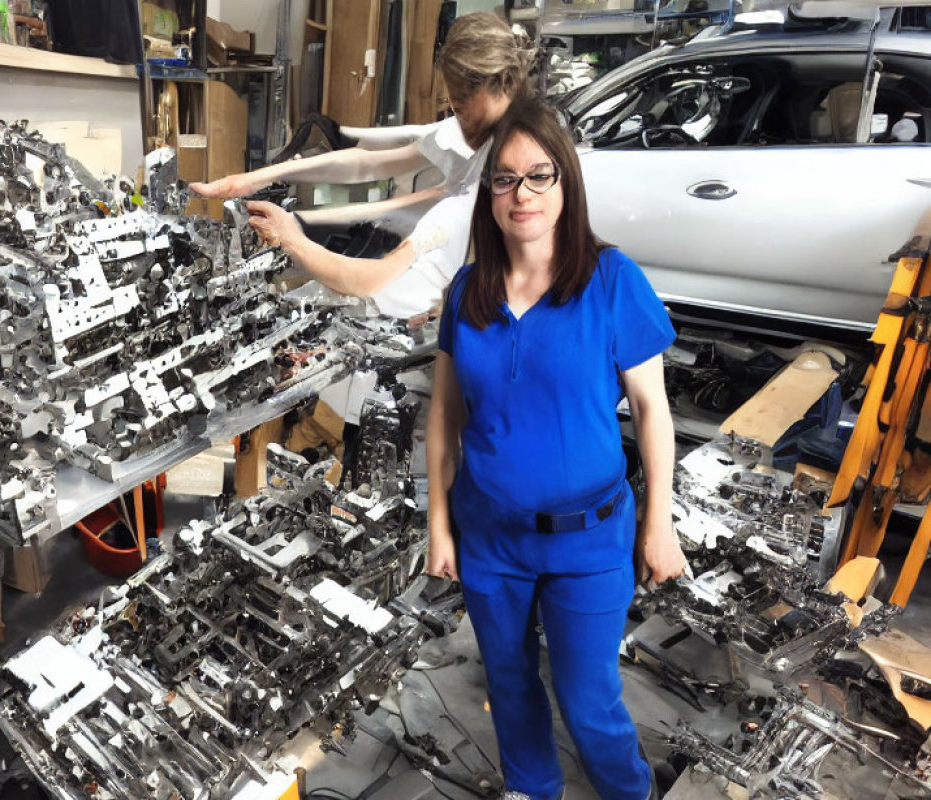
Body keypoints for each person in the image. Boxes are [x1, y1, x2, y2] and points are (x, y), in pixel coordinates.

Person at [425, 96, 688, 800]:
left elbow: (652, 409)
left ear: (566, 182)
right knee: (509, 685)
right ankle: (531, 790)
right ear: (489, 194)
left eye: (540, 175)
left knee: (587, 698)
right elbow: (445, 414)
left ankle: (630, 792)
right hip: (490, 536)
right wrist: (439, 523)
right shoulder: (467, 292)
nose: (523, 194)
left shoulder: (611, 280)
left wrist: (660, 524)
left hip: (589, 542)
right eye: (506, 179)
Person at [191, 12, 531, 318]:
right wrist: (253, 179)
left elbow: (372, 280)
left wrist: (291, 238)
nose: (454, 114)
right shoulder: (480, 128)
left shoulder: (504, 175)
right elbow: (368, 163)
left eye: (459, 103)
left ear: (488, 85)